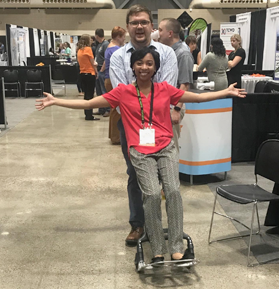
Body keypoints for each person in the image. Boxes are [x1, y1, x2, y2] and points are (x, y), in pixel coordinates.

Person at [36, 47, 246, 263]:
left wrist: (225, 92)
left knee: (173, 191)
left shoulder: (165, 89)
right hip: (140, 151)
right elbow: (90, 103)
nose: (144, 67)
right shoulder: (122, 92)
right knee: (153, 194)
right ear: (133, 66)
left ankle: (175, 246)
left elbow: (196, 98)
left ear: (155, 67)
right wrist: (57, 101)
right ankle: (156, 247)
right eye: (139, 63)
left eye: (149, 63)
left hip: (166, 147)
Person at [109, 4, 178, 247]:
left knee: (167, 179)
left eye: (144, 22)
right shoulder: (119, 57)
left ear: (151, 26)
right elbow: (119, 97)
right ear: (127, 27)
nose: (139, 26)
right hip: (131, 128)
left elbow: (168, 91)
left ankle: (161, 224)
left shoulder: (167, 54)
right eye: (134, 22)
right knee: (135, 174)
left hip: (161, 126)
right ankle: (138, 224)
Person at [158, 17, 194, 152]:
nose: (158, 33)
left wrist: (176, 110)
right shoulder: (168, 51)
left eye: (161, 30)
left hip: (173, 106)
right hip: (165, 105)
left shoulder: (183, 53)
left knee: (171, 146)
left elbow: (184, 84)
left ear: (170, 33)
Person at [104, 26, 126, 144]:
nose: (124, 39)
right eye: (123, 37)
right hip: (113, 80)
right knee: (118, 109)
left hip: (108, 79)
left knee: (114, 109)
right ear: (118, 36)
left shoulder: (109, 47)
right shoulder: (116, 49)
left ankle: (113, 135)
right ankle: (116, 137)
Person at [77, 34, 99, 121]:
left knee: (86, 95)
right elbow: (93, 62)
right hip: (90, 74)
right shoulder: (88, 49)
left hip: (82, 74)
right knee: (90, 95)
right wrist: (96, 71)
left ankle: (87, 113)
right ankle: (89, 115)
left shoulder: (79, 50)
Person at [93, 28, 110, 117]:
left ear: (97, 35)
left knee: (104, 91)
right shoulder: (99, 45)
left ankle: (108, 109)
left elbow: (106, 59)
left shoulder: (105, 44)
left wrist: (102, 70)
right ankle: (101, 109)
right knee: (99, 91)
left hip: (102, 70)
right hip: (98, 69)